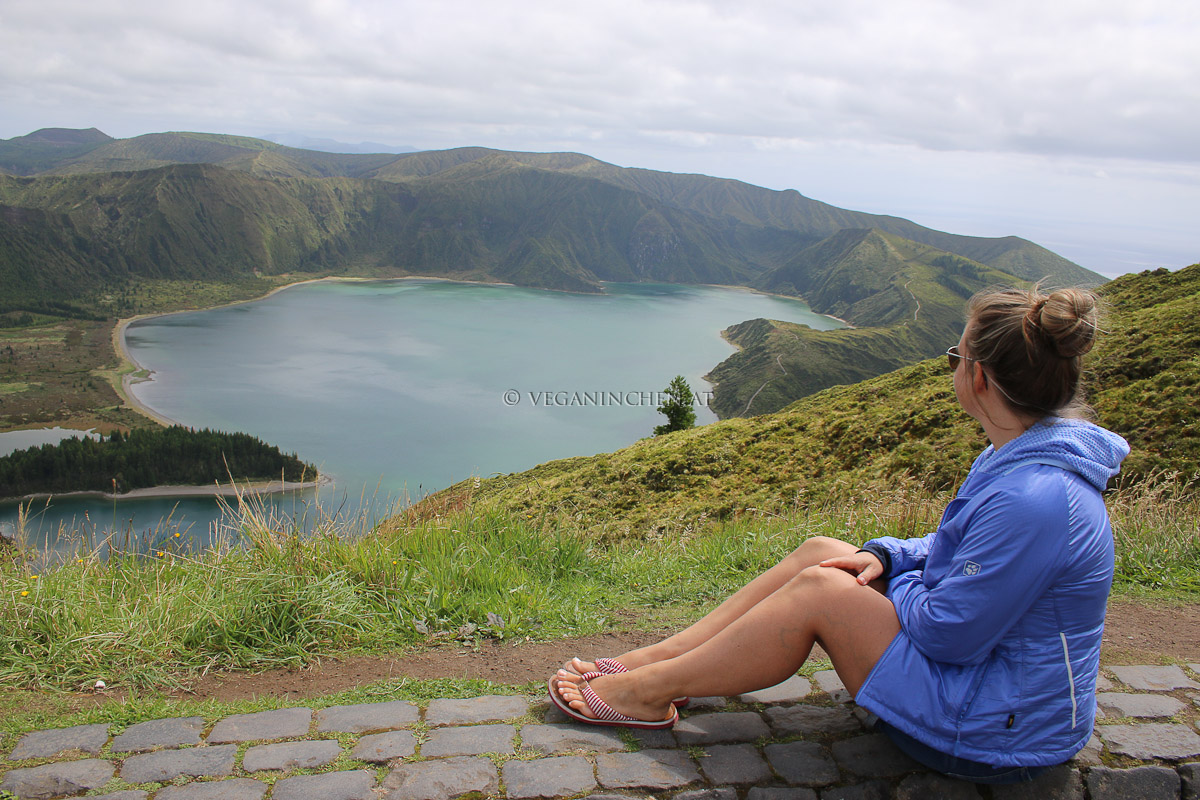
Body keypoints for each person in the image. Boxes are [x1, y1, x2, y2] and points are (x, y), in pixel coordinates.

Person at [549, 286, 1130, 784]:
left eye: (956, 355)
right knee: (826, 553)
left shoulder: (1037, 498)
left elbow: (949, 635)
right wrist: (884, 555)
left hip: (992, 733)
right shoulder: (1019, 461)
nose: (952, 366)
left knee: (823, 588)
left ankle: (647, 694)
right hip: (986, 696)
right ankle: (658, 660)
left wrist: (879, 587)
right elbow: (956, 548)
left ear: (977, 375)